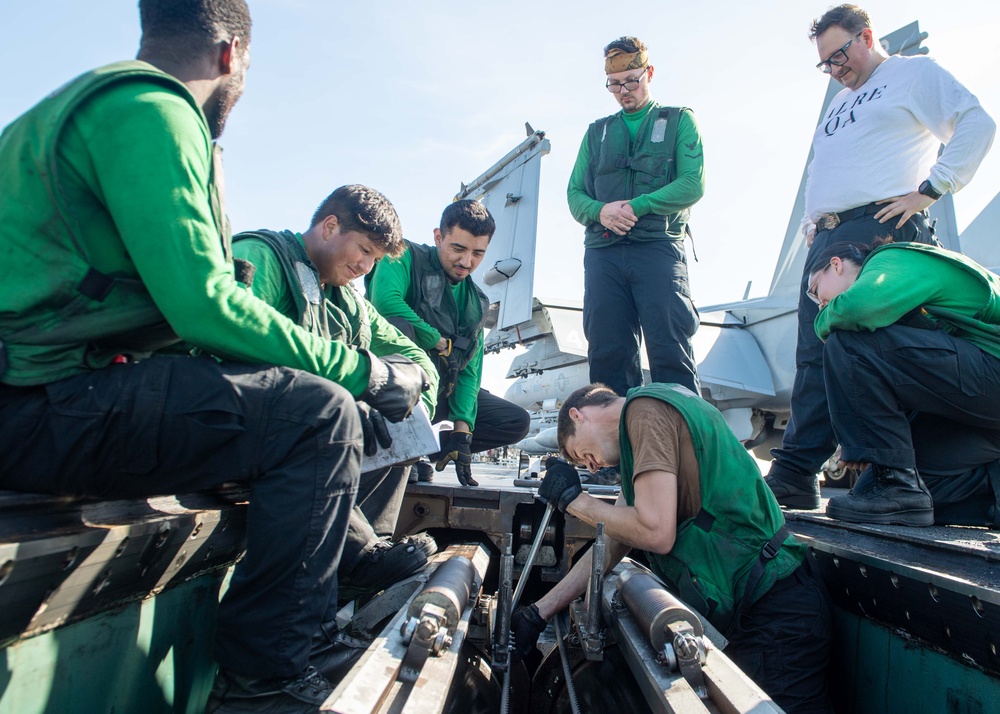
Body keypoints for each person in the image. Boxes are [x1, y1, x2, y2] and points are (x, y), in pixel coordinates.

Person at [0, 2, 430, 712]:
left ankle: (330, 586)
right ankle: (264, 678)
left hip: (50, 392)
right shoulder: (152, 110)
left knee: (302, 407)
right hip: (37, 407)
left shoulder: (98, 102)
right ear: (233, 56)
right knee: (314, 415)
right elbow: (203, 305)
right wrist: (365, 374)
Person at [765, 4, 995, 510]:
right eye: (825, 63)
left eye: (840, 54)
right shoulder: (838, 103)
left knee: (866, 347)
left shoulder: (911, 74)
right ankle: (798, 473)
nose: (835, 68)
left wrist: (932, 189)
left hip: (879, 232)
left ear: (867, 36)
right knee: (814, 357)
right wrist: (813, 225)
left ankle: (896, 478)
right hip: (829, 238)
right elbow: (824, 169)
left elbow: (976, 121)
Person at [512, 384, 832, 714]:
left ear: (578, 415)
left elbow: (655, 533)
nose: (590, 467)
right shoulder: (649, 421)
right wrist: (540, 612)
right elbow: (613, 541)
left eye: (579, 454)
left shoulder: (644, 411)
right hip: (763, 605)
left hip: (777, 610)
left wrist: (575, 501)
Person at [232, 184, 440, 604]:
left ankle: (369, 549)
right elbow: (236, 344)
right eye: (362, 250)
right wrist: (349, 388)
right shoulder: (263, 258)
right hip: (252, 420)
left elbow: (413, 356)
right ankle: (359, 556)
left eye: (375, 260)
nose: (365, 266)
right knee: (337, 414)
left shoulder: (349, 302)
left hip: (303, 426)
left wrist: (413, 394)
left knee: (394, 416)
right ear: (329, 227)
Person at [807, 239, 1000, 527]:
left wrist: (824, 324)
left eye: (815, 291)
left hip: (991, 372)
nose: (819, 304)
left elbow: (858, 308)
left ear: (835, 265)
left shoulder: (893, 259)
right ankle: (987, 492)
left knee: (847, 342)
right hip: (982, 403)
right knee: (881, 492)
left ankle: (899, 486)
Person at [566, 36, 705, 398]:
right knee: (607, 353)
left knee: (670, 350)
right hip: (603, 255)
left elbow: (692, 184)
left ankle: (681, 448)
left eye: (632, 80)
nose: (623, 90)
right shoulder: (596, 133)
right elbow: (575, 194)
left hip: (658, 250)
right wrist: (601, 211)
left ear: (650, 73)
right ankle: (614, 452)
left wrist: (637, 206)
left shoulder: (679, 121)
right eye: (614, 84)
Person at [367, 200, 530, 487]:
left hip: (440, 392)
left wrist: (462, 434)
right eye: (458, 249)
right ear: (438, 237)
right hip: (387, 386)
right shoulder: (402, 255)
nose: (467, 262)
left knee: (515, 421)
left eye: (478, 253)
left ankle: (421, 450)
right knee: (400, 325)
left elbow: (470, 370)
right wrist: (435, 339)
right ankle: (401, 448)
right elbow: (385, 302)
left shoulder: (477, 302)